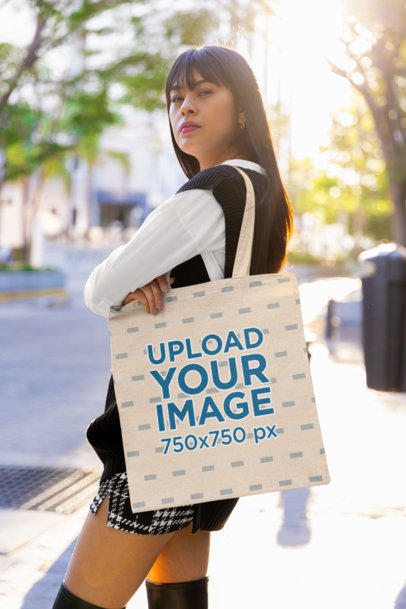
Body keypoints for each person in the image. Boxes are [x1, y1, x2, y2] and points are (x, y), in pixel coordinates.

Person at [52, 44, 293, 609]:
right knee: (178, 602)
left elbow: (98, 290)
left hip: (159, 440)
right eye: (176, 97)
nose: (184, 107)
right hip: (213, 435)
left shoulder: (209, 196)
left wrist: (130, 283)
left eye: (204, 92)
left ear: (242, 110)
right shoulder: (265, 193)